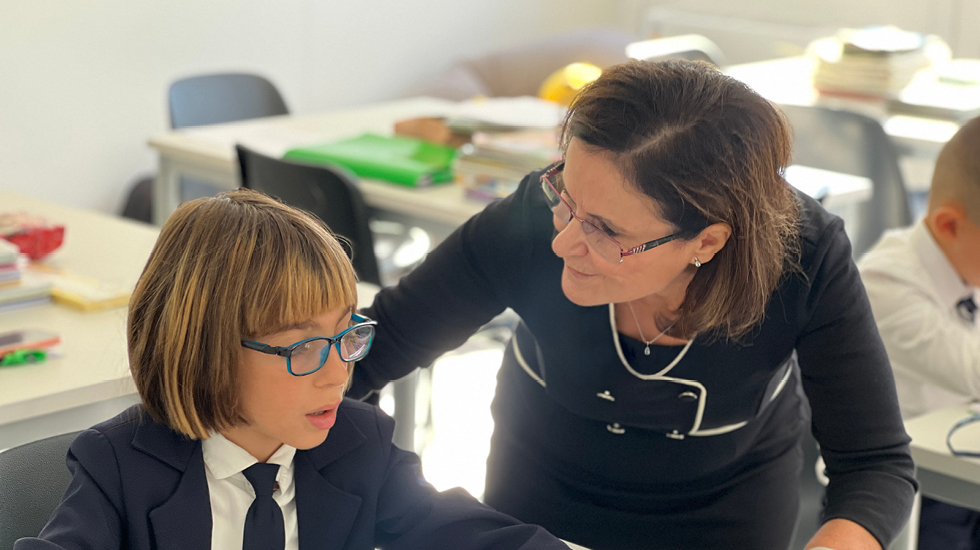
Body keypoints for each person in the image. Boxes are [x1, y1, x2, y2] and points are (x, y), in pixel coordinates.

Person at [351, 60, 916, 550]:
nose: (564, 242)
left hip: (723, 514)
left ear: (707, 242)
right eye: (564, 198)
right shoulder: (528, 222)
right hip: (535, 498)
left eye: (605, 230)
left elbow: (874, 465)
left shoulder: (804, 258)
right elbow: (373, 349)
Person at [14, 189, 570, 550]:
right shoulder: (120, 467)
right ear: (206, 350)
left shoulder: (357, 445)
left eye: (346, 336)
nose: (338, 375)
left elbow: (474, 536)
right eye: (302, 349)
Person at [858, 116, 980, 550]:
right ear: (949, 225)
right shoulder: (886, 284)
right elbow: (973, 371)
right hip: (914, 492)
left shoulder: (969, 265)